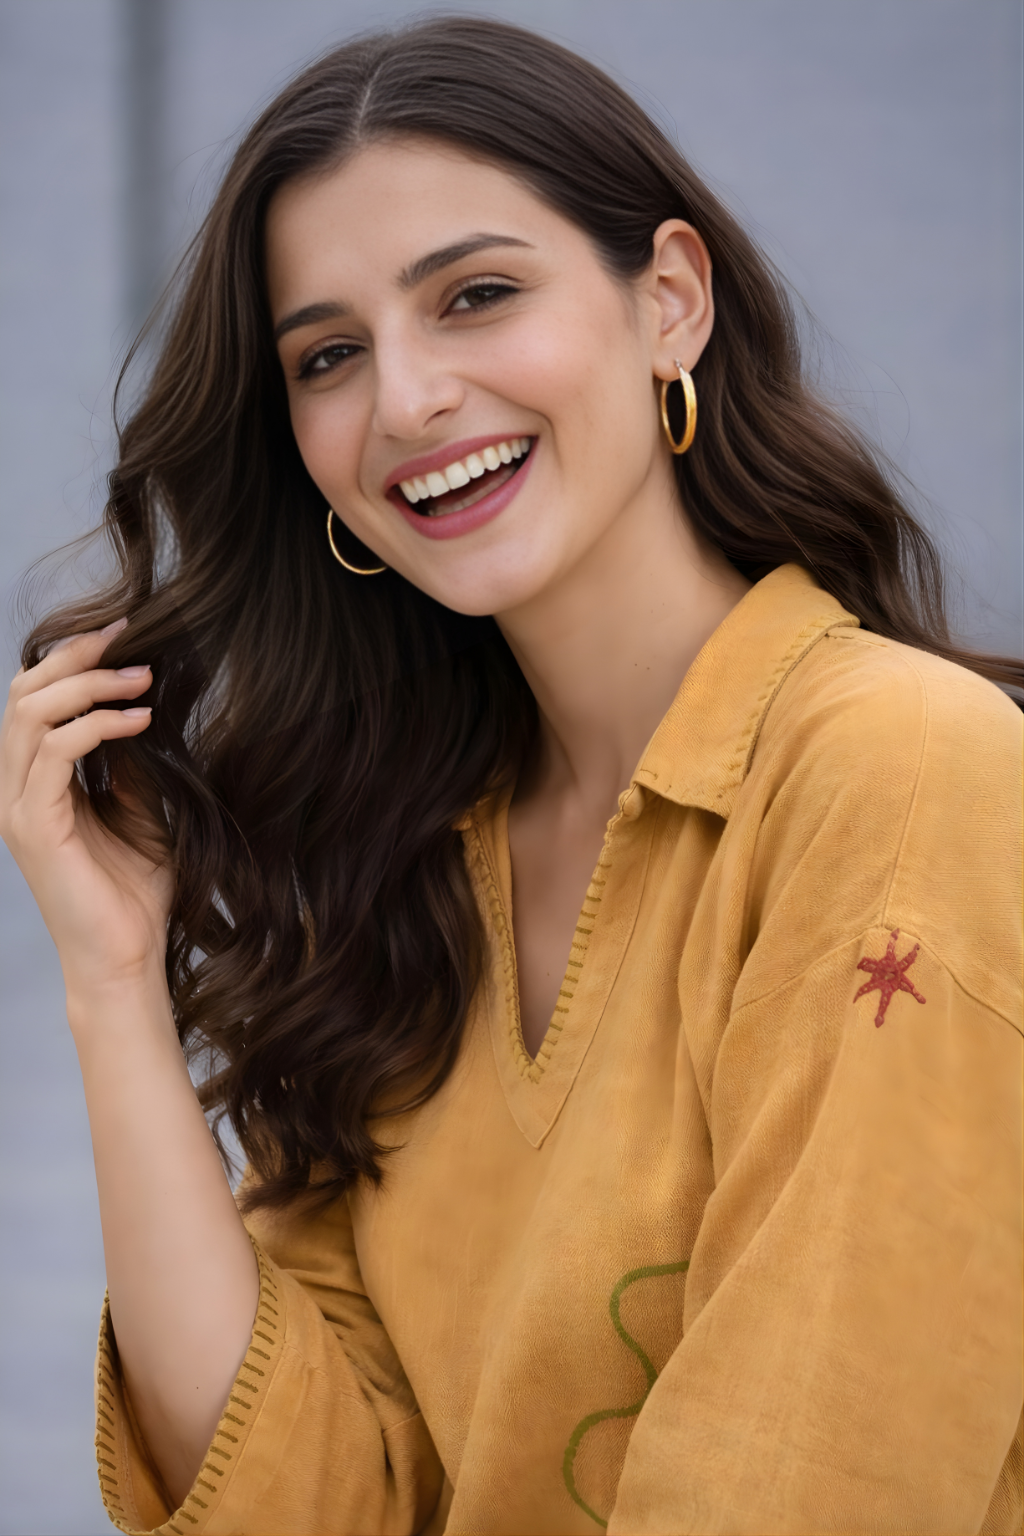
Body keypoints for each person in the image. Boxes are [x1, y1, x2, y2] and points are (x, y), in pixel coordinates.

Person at [1, 16, 1020, 1534]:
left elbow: (815, 1491)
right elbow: (303, 1502)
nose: (406, 400)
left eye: (475, 296)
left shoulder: (899, 771)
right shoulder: (392, 869)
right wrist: (112, 982)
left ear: (669, 301)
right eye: (329, 355)